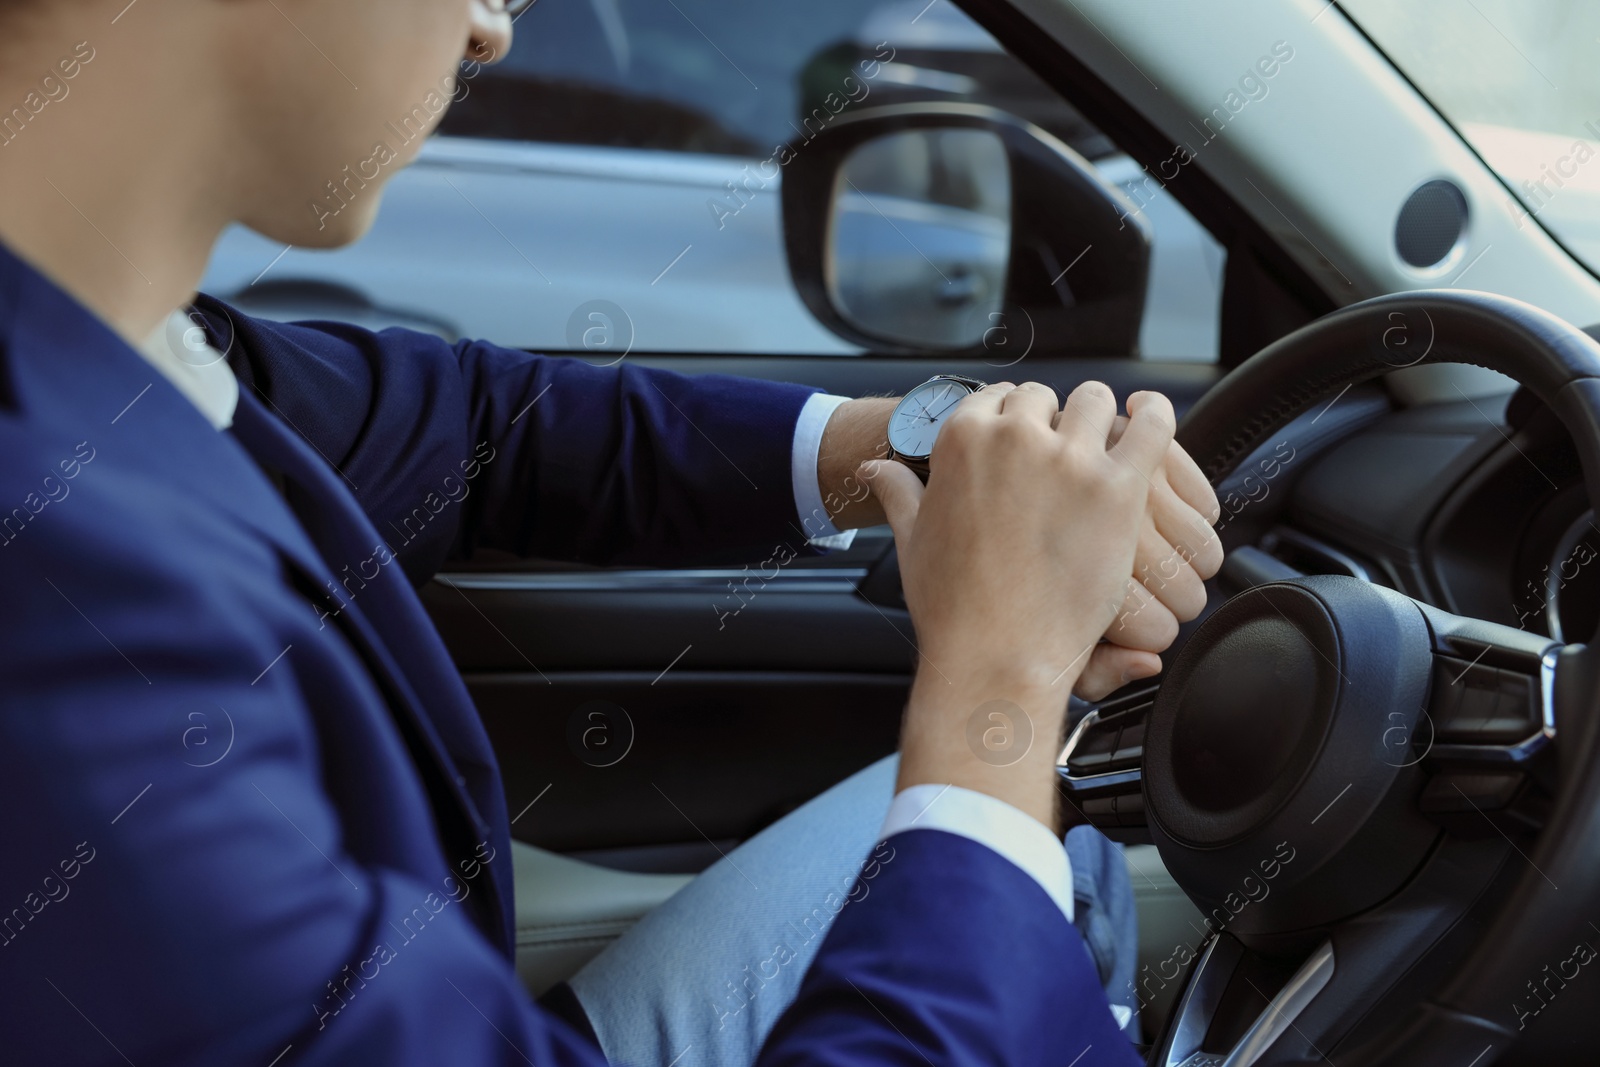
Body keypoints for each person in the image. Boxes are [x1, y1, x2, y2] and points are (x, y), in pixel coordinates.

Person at [0, 1, 1222, 1065]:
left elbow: (484, 432)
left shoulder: (115, 335)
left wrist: (925, 452)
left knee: (1037, 857)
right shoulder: (60, 613)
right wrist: (999, 682)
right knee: (1017, 841)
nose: (491, 30)